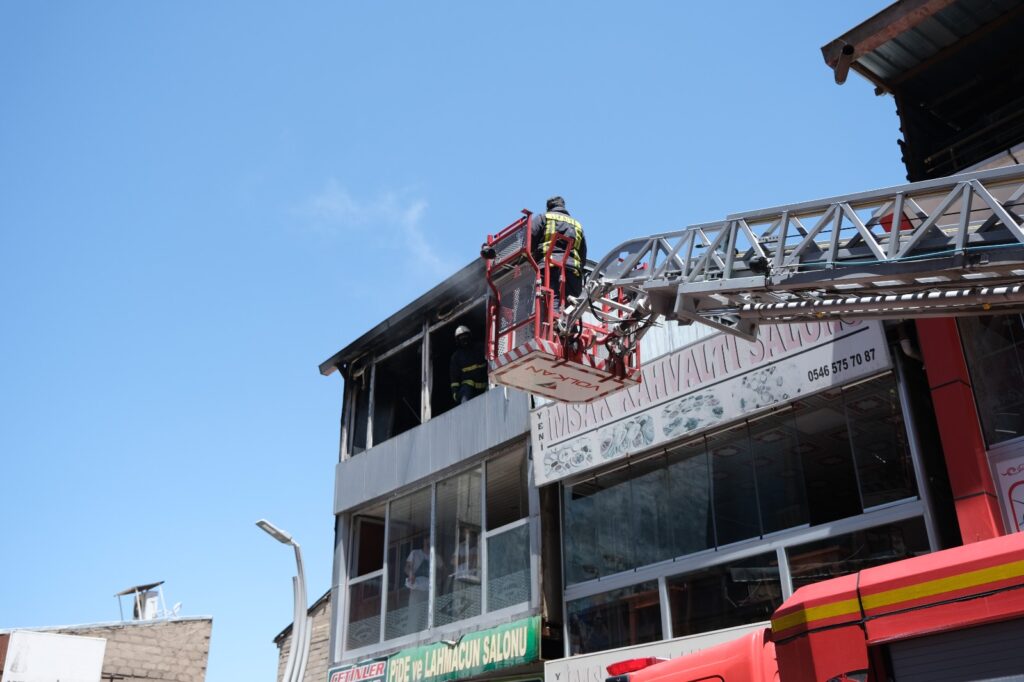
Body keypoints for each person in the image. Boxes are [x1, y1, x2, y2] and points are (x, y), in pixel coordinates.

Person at [530, 195, 587, 309]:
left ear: (548, 207)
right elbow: (583, 253)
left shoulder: (544, 217)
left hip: (549, 267)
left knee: (551, 302)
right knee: (570, 308)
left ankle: (554, 323)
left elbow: (529, 239)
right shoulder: (577, 225)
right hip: (573, 271)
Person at [449, 325, 487, 404]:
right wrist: (455, 393)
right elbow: (454, 378)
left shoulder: (480, 348)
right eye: (461, 338)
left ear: (470, 336)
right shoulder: (456, 357)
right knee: (466, 402)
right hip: (468, 390)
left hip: (486, 385)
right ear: (457, 341)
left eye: (465, 336)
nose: (464, 339)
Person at [404, 536, 431, 631]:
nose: (429, 541)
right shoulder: (415, 553)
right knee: (414, 614)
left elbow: (443, 570)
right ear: (424, 540)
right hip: (417, 588)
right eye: (428, 539)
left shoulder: (435, 556)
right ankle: (411, 636)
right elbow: (407, 567)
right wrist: (411, 574)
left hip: (430, 590)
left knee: (428, 615)